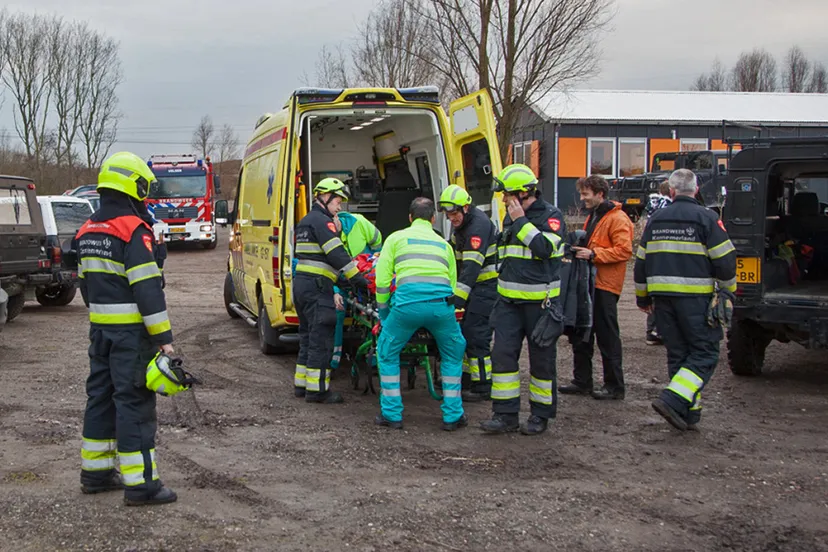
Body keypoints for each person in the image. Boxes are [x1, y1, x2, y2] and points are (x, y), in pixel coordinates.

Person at [75, 151, 177, 506]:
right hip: (131, 335)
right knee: (134, 403)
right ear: (133, 185)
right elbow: (147, 289)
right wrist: (163, 339)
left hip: (100, 331)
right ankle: (143, 485)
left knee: (100, 398)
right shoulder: (133, 230)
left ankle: (96, 473)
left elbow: (85, 286)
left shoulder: (87, 230)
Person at [634, 169, 737, 431]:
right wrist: (728, 292)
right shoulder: (707, 218)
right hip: (695, 299)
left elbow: (641, 262)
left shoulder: (656, 219)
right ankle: (673, 399)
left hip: (662, 299)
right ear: (697, 190)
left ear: (671, 191)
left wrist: (642, 298)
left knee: (679, 354)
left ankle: (688, 413)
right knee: (705, 353)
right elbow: (725, 261)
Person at [480, 164, 566, 436]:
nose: (504, 200)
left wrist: (521, 222)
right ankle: (505, 415)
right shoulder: (510, 217)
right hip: (508, 304)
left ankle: (540, 415)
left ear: (523, 193)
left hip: (540, 305)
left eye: (507, 195)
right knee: (502, 358)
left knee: (542, 363)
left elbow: (544, 249)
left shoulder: (551, 216)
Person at [374, 198, 467, 431]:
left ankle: (392, 415)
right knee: (453, 353)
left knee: (387, 352)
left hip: (407, 308)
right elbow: (452, 285)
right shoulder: (444, 245)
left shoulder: (395, 239)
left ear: (410, 218)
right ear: (433, 219)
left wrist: (384, 313)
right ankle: (453, 416)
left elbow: (382, 281)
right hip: (441, 308)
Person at [293, 178, 370, 404]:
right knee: (321, 340)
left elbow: (319, 258)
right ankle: (317, 391)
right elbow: (337, 254)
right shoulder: (323, 222)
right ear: (324, 197)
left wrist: (343, 283)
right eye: (337, 201)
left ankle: (302, 385)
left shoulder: (306, 221)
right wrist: (358, 279)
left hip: (303, 285)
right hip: (317, 288)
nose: (339, 207)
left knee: (307, 338)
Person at [559, 175, 633, 401]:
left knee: (607, 336)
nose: (582, 198)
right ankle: (582, 381)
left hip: (604, 285)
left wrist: (593, 254)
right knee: (582, 332)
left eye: (586, 194)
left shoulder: (617, 218)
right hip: (590, 283)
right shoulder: (596, 216)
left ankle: (614, 386)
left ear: (600, 194)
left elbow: (624, 250)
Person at [437, 184, 498, 402]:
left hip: (486, 288)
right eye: (448, 214)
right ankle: (466, 377)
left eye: (454, 213)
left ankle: (483, 385)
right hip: (475, 288)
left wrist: (457, 300)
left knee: (476, 335)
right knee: (464, 332)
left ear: (465, 208)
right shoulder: (462, 226)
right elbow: (456, 261)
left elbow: (471, 267)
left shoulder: (477, 226)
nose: (451, 218)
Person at [331, 211, 382, 370]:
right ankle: (333, 360)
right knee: (337, 312)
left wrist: (372, 262)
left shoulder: (358, 222)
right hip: (341, 280)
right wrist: (335, 291)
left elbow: (377, 240)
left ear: (337, 216)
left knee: (373, 313)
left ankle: (373, 358)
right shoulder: (324, 234)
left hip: (364, 276)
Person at [643, 180, 672, 345]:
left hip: (652, 254)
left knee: (654, 294)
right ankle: (659, 331)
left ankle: (651, 331)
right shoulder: (669, 208)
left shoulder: (653, 207)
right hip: (667, 256)